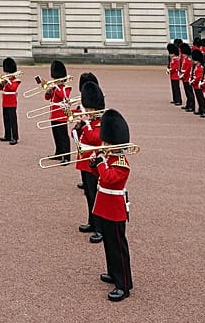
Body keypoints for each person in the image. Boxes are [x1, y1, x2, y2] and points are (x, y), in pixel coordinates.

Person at [90, 108, 133, 302]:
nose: (104, 145)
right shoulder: (109, 158)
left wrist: (100, 163)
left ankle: (123, 284)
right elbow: (100, 176)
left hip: (115, 209)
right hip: (105, 206)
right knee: (108, 244)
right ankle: (113, 272)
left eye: (107, 142)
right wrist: (95, 163)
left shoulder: (121, 162)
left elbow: (108, 179)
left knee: (118, 247)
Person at [74, 80, 105, 243]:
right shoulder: (90, 122)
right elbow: (78, 137)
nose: (87, 111)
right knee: (88, 195)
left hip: (93, 161)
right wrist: (79, 127)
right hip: (83, 160)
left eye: (89, 108)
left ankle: (100, 228)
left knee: (95, 195)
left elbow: (95, 139)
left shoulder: (99, 122)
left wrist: (86, 124)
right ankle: (92, 222)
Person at [39, 60, 73, 162]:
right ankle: (59, 153)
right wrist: (49, 91)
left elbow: (64, 96)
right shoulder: (55, 88)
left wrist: (56, 87)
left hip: (61, 114)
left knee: (63, 136)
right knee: (56, 135)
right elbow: (47, 97)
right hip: (54, 113)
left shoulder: (66, 88)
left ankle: (66, 156)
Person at [0, 57, 21, 145]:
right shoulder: (7, 80)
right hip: (5, 101)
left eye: (8, 72)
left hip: (12, 102)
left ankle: (15, 137)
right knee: (6, 119)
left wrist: (7, 81)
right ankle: (7, 135)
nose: (6, 73)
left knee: (12, 120)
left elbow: (12, 88)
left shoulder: (16, 80)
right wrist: (2, 83)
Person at [165, 41, 182, 105]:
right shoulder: (173, 59)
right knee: (173, 88)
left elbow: (175, 68)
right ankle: (175, 99)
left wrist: (169, 70)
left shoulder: (176, 60)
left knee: (176, 88)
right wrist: (168, 69)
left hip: (176, 76)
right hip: (172, 76)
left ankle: (178, 100)